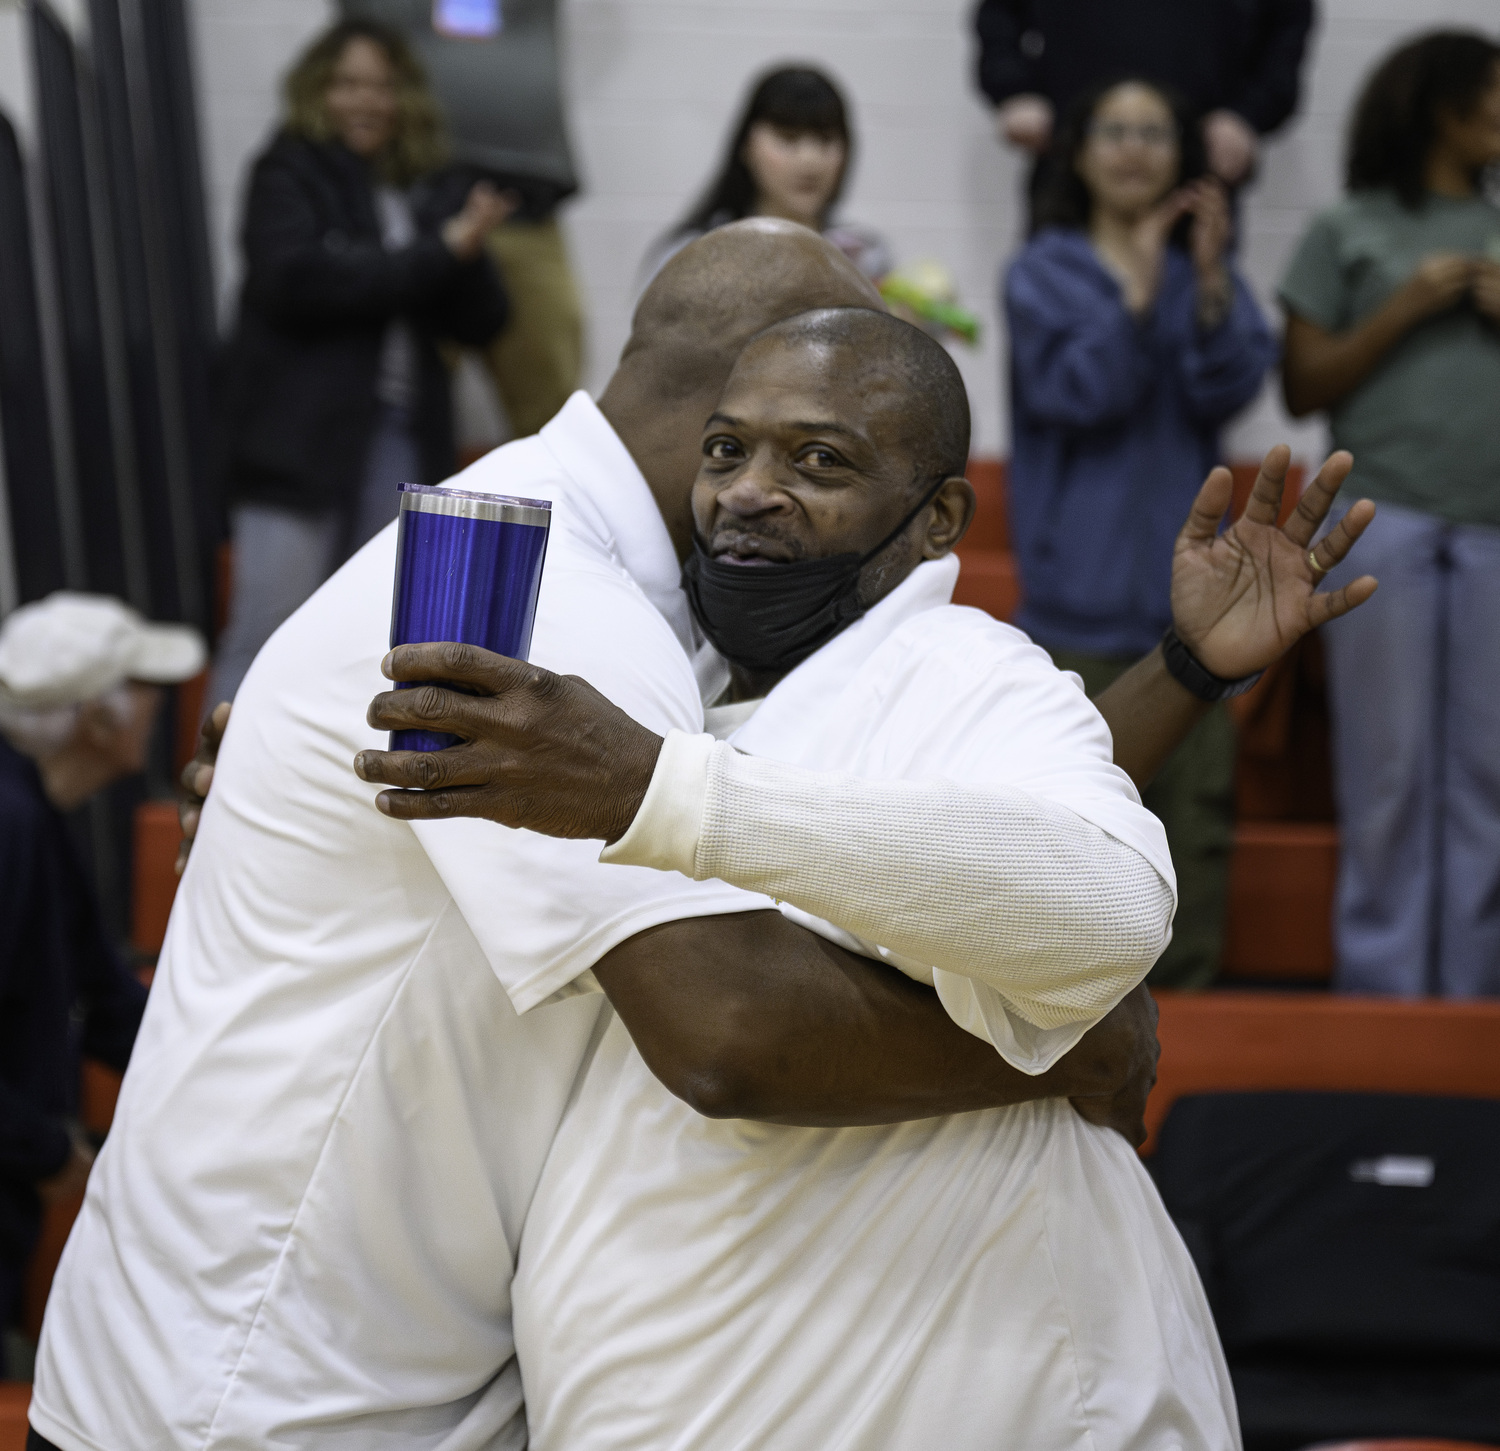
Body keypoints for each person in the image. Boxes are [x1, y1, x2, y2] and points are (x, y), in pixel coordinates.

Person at [30, 222, 1374, 1449]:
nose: (758, 490)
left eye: (826, 451)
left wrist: (1179, 677)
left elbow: (915, 800)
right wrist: (1055, 1038)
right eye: (755, 440)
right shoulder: (543, 589)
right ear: (747, 390)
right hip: (271, 1391)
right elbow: (729, 1023)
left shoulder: (639, 597)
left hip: (306, 1358)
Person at [1002, 78, 1276, 987]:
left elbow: (1229, 384)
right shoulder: (1043, 269)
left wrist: (1202, 277)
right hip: (1076, 613)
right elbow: (1078, 394)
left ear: (1180, 155)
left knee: (1191, 841)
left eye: (1154, 132)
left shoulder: (1208, 266)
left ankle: (1189, 1046)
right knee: (1076, 850)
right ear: (1077, 152)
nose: (1132, 148)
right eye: (1112, 129)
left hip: (1190, 615)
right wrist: (1146, 285)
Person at [1279, 31, 1500, 997]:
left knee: (1488, 779)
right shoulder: (1347, 229)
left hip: (1495, 533)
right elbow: (1300, 382)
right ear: (1434, 106)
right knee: (1389, 777)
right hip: (1383, 527)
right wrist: (1404, 306)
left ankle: (1471, 1006)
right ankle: (1383, 1007)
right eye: (1489, 95)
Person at [210, 18, 511, 706]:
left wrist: (468, 249)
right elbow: (299, 282)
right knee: (265, 631)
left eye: (382, 86)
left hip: (400, 435)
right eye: (348, 83)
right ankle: (213, 803)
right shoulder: (287, 170)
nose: (366, 101)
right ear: (319, 89)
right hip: (294, 444)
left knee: (375, 641)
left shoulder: (426, 186)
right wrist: (439, 252)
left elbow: (486, 319)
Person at [0, 593, 204, 1379]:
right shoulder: (13, 824)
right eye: (143, 684)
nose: (162, 702)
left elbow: (110, 1004)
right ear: (100, 718)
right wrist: (46, 1148)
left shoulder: (41, 815)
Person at [976, 0, 1315, 195]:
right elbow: (999, 14)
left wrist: (1247, 115)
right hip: (1071, 164)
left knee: (1194, 312)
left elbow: (1287, 25)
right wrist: (1015, 89)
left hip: (1197, 169)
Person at [645, 66, 893, 285]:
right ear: (747, 146)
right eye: (788, 138)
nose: (809, 160)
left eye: (826, 140)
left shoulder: (864, 259)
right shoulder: (694, 257)